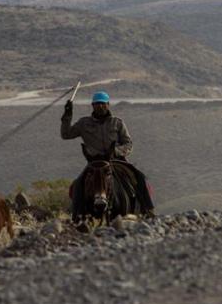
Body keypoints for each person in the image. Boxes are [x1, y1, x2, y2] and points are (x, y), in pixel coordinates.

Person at [61, 91, 155, 220]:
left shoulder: (117, 123)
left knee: (140, 177)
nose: (100, 106)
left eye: (103, 104)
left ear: (108, 104)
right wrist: (67, 115)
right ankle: (76, 217)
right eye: (97, 104)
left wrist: (115, 151)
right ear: (92, 105)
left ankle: (148, 210)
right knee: (77, 184)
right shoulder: (84, 123)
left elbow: (128, 143)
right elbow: (66, 134)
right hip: (94, 163)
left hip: (117, 160)